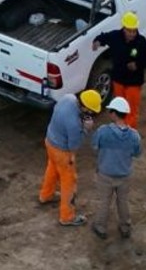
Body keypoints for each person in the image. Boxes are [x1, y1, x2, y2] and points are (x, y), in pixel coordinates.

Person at [38, 88, 101, 227]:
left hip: (50, 141)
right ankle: (67, 216)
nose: (91, 113)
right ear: (84, 106)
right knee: (69, 182)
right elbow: (74, 145)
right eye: (90, 110)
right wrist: (85, 129)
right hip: (62, 152)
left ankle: (46, 195)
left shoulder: (68, 98)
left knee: (52, 169)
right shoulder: (74, 123)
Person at [91, 11, 146, 129]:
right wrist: (97, 42)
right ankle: (119, 127)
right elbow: (103, 37)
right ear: (123, 28)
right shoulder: (115, 37)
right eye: (129, 30)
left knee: (131, 110)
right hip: (118, 80)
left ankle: (128, 132)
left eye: (134, 30)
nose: (132, 34)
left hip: (134, 82)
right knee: (119, 106)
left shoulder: (141, 42)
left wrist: (138, 64)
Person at [90, 96, 142, 240]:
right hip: (124, 176)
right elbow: (137, 153)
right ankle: (125, 227)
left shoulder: (102, 131)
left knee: (104, 202)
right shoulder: (134, 136)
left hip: (105, 174)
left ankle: (100, 226)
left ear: (113, 113)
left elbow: (94, 146)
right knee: (123, 201)